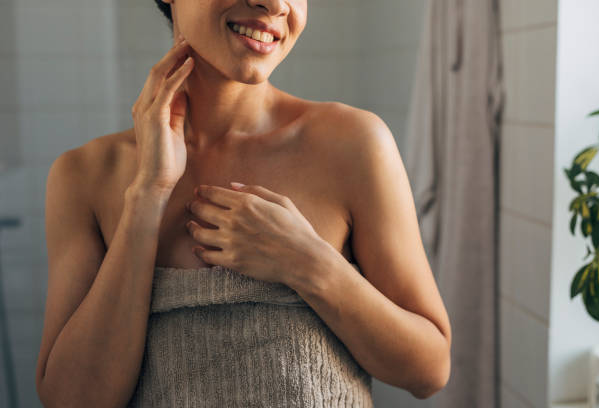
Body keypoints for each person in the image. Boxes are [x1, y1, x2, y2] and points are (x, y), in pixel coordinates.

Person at [35, 0, 452, 406]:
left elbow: (428, 370)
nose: (273, 4)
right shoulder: (83, 176)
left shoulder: (355, 144)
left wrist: (309, 264)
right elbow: (71, 400)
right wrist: (148, 194)